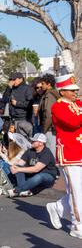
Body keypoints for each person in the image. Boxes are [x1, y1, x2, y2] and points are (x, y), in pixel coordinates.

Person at [46, 73, 82, 239]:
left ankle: (59, 207)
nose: (75, 92)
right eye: (71, 90)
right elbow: (73, 122)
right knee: (76, 191)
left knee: (79, 191)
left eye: (75, 90)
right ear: (62, 92)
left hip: (80, 151)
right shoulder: (58, 107)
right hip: (69, 152)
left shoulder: (79, 104)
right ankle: (77, 225)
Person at [7, 133, 58, 197]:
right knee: (17, 168)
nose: (32, 142)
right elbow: (21, 163)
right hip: (32, 176)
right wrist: (14, 166)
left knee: (40, 176)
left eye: (34, 141)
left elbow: (36, 169)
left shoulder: (46, 153)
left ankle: (17, 190)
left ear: (41, 143)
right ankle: (24, 190)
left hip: (47, 177)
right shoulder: (30, 150)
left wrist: (19, 169)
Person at [0, 72, 34, 138]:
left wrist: (17, 103)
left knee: (22, 140)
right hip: (12, 120)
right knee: (12, 139)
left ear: (20, 79)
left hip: (23, 119)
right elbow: (4, 99)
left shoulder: (27, 88)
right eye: (11, 80)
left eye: (14, 79)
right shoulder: (11, 88)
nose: (12, 81)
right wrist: (8, 88)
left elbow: (30, 104)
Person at [37, 74, 59, 158]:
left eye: (43, 84)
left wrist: (45, 130)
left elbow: (48, 113)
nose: (41, 86)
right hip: (50, 128)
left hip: (49, 128)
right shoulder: (49, 94)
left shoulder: (49, 96)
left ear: (48, 84)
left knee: (50, 151)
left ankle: (51, 169)